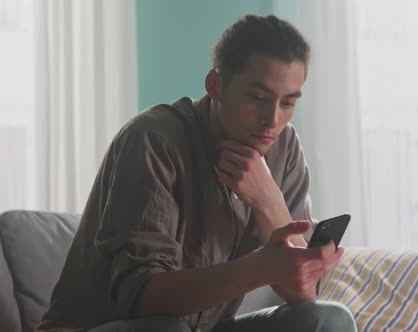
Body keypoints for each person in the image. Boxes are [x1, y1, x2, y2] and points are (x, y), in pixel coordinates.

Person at [37, 14, 357, 332]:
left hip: (202, 328)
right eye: (258, 98)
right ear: (214, 85)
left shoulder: (284, 147)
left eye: (288, 103)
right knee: (165, 329)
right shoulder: (154, 139)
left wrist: (268, 200)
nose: (272, 120)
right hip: (114, 326)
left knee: (329, 319)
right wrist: (259, 268)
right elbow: (140, 297)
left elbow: (300, 293)